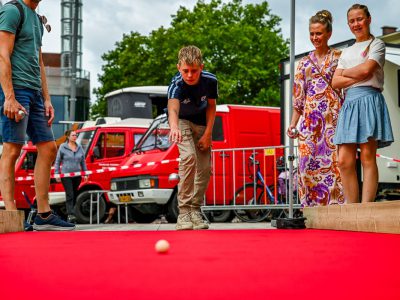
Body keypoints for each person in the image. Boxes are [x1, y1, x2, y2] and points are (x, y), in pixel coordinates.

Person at [0, 0, 75, 230]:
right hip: (17, 90)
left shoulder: (35, 18)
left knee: (49, 147)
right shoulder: (12, 11)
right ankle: (11, 215)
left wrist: (47, 98)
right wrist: (9, 97)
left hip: (34, 92)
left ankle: (43, 215)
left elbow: (39, 61)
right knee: (13, 148)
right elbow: (3, 53)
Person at [332, 4, 393, 203]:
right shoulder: (347, 51)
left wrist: (345, 73)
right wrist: (357, 73)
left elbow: (366, 71)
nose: (356, 24)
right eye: (352, 21)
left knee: (367, 155)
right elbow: (335, 82)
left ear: (368, 19)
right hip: (349, 103)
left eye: (359, 19)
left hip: (369, 99)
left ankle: (366, 207)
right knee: (344, 160)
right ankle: (352, 207)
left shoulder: (377, 44)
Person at [287, 10, 344, 206]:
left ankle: (337, 211)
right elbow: (298, 100)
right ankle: (309, 211)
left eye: (318, 33)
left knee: (337, 167)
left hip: (334, 122)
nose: (314, 38)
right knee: (305, 168)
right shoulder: (304, 63)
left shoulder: (339, 57)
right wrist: (292, 124)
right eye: (312, 33)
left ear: (328, 33)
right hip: (311, 124)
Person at [167, 45, 217, 230]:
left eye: (194, 71)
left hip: (202, 123)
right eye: (185, 71)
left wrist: (208, 134)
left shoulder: (210, 81)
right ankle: (184, 212)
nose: (189, 75)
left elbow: (212, 106)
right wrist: (173, 126)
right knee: (188, 157)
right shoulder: (176, 84)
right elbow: (172, 108)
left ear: (201, 67)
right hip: (181, 121)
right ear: (178, 67)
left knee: (204, 168)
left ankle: (196, 209)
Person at [54, 130, 88, 223]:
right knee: (70, 194)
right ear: (68, 137)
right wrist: (56, 173)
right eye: (73, 135)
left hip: (77, 175)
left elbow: (83, 161)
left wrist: (85, 173)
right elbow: (57, 161)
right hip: (66, 175)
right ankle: (70, 214)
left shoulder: (79, 147)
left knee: (75, 194)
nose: (75, 136)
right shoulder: (62, 147)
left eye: (76, 135)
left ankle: (72, 212)